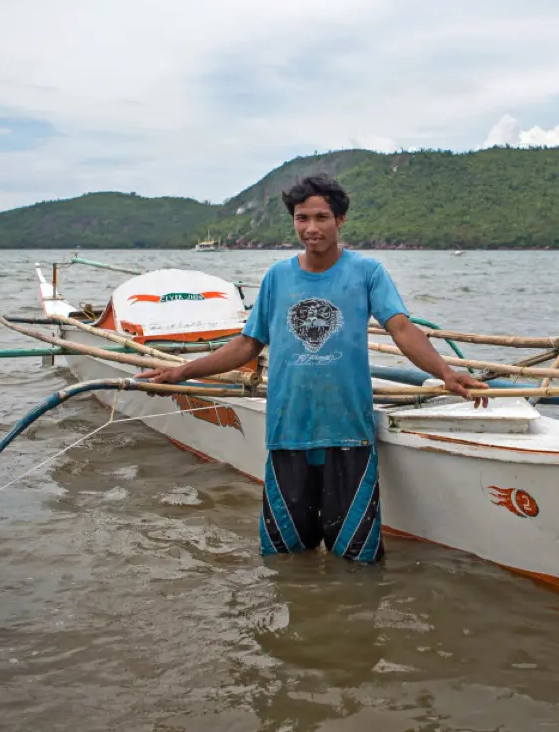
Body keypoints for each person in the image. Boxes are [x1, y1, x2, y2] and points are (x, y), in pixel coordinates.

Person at [136, 173, 489, 564]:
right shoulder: (277, 277)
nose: (311, 228)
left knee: (358, 562)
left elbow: (402, 330)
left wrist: (446, 373)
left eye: (321, 217)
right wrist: (182, 372)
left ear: (340, 220)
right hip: (288, 432)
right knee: (285, 561)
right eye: (302, 218)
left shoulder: (367, 273)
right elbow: (246, 344)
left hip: (349, 433)